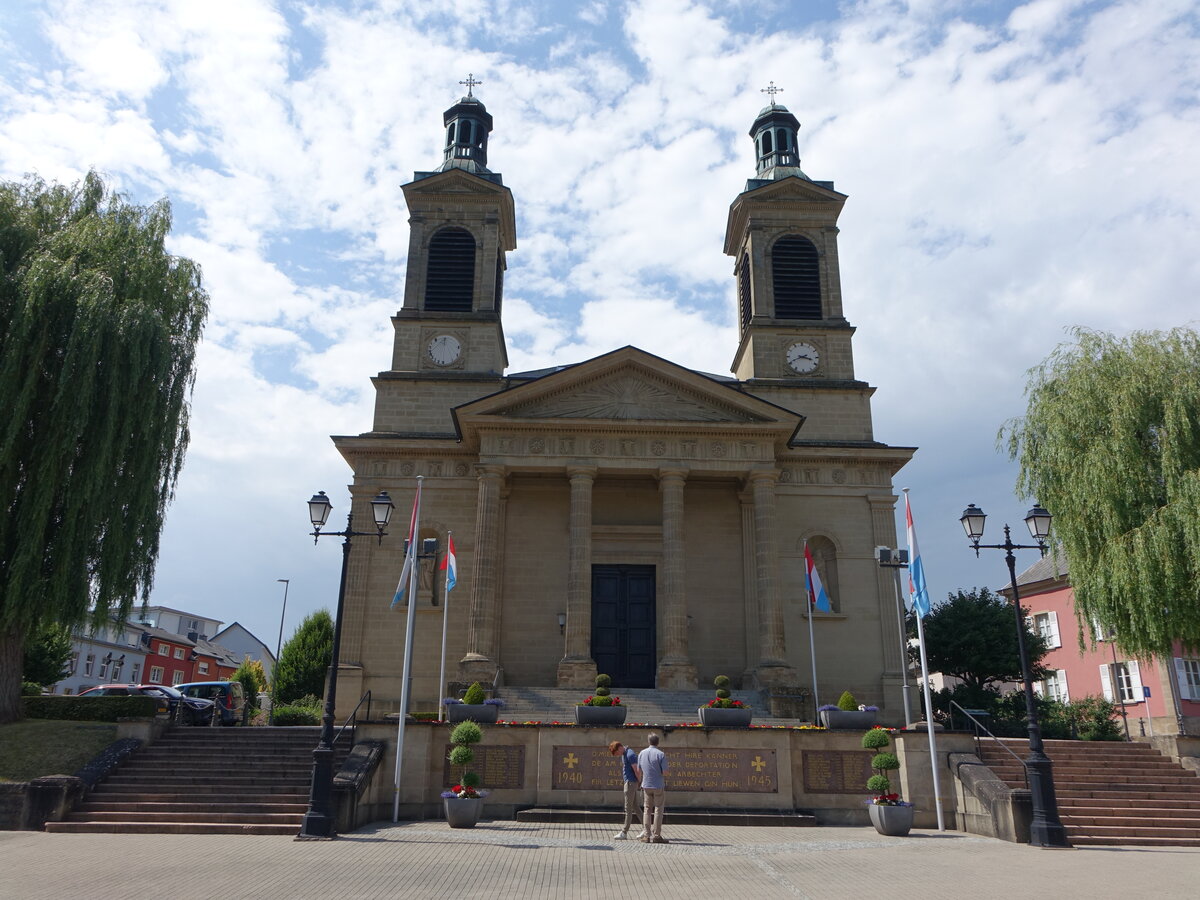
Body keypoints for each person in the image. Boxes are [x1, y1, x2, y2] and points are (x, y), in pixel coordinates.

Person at [636, 732, 669, 843]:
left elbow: (638, 771)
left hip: (646, 785)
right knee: (658, 810)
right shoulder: (661, 754)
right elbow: (665, 772)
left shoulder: (642, 753)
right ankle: (657, 835)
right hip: (658, 785)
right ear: (658, 742)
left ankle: (646, 835)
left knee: (647, 810)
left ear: (649, 742)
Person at [608, 740, 641, 840]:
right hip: (630, 783)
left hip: (630, 783)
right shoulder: (626, 753)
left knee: (628, 808)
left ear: (620, 748)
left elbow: (636, 770)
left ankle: (624, 832)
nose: (618, 755)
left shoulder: (630, 754)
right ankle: (646, 828)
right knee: (635, 807)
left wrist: (639, 781)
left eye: (617, 753)